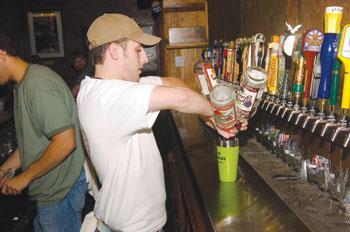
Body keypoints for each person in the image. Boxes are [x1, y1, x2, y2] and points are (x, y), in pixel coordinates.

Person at [77, 13, 247, 232]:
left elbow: (172, 84)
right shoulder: (108, 98)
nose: (145, 59)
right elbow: (181, 98)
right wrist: (221, 117)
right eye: (138, 50)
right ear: (115, 51)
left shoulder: (100, 88)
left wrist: (212, 121)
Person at [0, 32, 86, 232]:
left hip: (59, 194)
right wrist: (4, 170)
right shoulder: (23, 84)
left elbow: (66, 142)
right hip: (50, 192)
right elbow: (32, 144)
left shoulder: (37, 84)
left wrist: (25, 177)